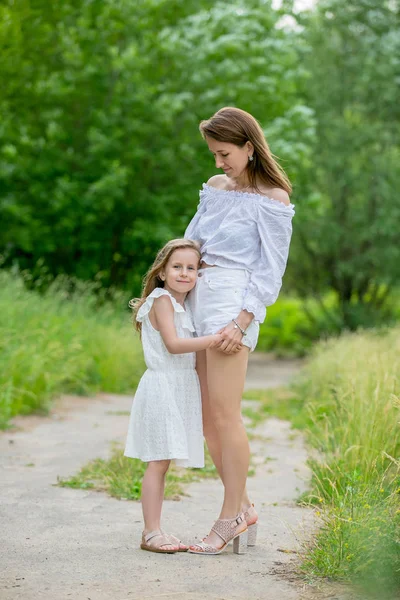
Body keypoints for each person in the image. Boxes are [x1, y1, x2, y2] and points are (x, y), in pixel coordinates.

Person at [184, 107, 295, 555]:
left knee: (227, 416)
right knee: (208, 419)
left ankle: (228, 516)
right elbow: (191, 243)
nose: (218, 163)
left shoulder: (274, 198)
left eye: (224, 153)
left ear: (250, 147)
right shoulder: (214, 188)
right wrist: (166, 298)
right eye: (213, 154)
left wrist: (242, 320)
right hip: (198, 299)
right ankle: (244, 506)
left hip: (233, 304)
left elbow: (271, 271)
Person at [124, 239, 222, 554]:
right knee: (158, 462)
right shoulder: (162, 299)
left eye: (191, 268)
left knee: (162, 462)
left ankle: (155, 529)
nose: (184, 273)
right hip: (163, 387)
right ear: (163, 272)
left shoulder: (182, 305)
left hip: (179, 386)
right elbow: (173, 345)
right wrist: (216, 339)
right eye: (177, 267)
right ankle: (151, 532)